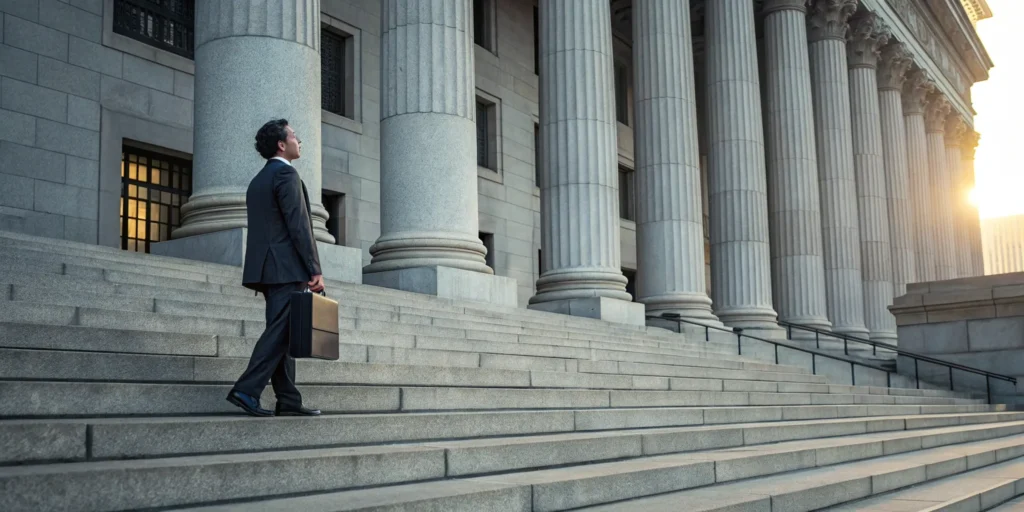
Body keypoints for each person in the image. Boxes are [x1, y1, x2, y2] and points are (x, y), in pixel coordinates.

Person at [226, 119, 324, 417]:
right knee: (279, 333)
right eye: (294, 135)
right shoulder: (286, 174)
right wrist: (314, 268)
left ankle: (288, 400)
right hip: (286, 269)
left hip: (269, 270)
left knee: (283, 331)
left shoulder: (259, 179)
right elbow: (299, 226)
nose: (299, 140)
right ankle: (246, 389)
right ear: (282, 144)